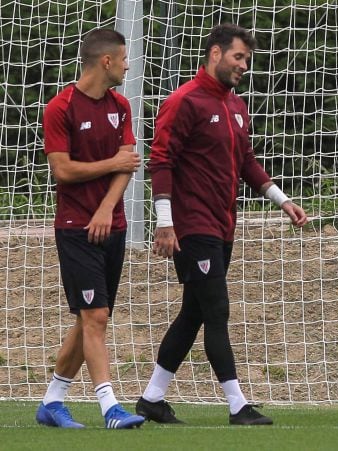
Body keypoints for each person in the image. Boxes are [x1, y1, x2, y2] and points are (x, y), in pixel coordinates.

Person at [136, 23, 308, 425]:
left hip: (222, 224)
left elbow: (245, 162)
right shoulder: (184, 101)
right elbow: (161, 160)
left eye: (247, 59)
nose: (244, 66)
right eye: (238, 57)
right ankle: (236, 404)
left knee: (193, 313)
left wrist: (282, 200)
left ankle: (152, 398)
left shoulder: (235, 105)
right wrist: (165, 222)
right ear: (215, 54)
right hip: (192, 226)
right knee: (217, 310)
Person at [37, 28, 145, 429]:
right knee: (96, 315)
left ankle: (52, 400)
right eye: (124, 58)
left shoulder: (121, 105)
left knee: (89, 318)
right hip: (74, 228)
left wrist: (105, 207)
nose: (127, 65)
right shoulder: (60, 107)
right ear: (106, 61)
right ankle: (110, 407)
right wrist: (110, 167)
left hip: (110, 223)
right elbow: (62, 169)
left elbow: (127, 163)